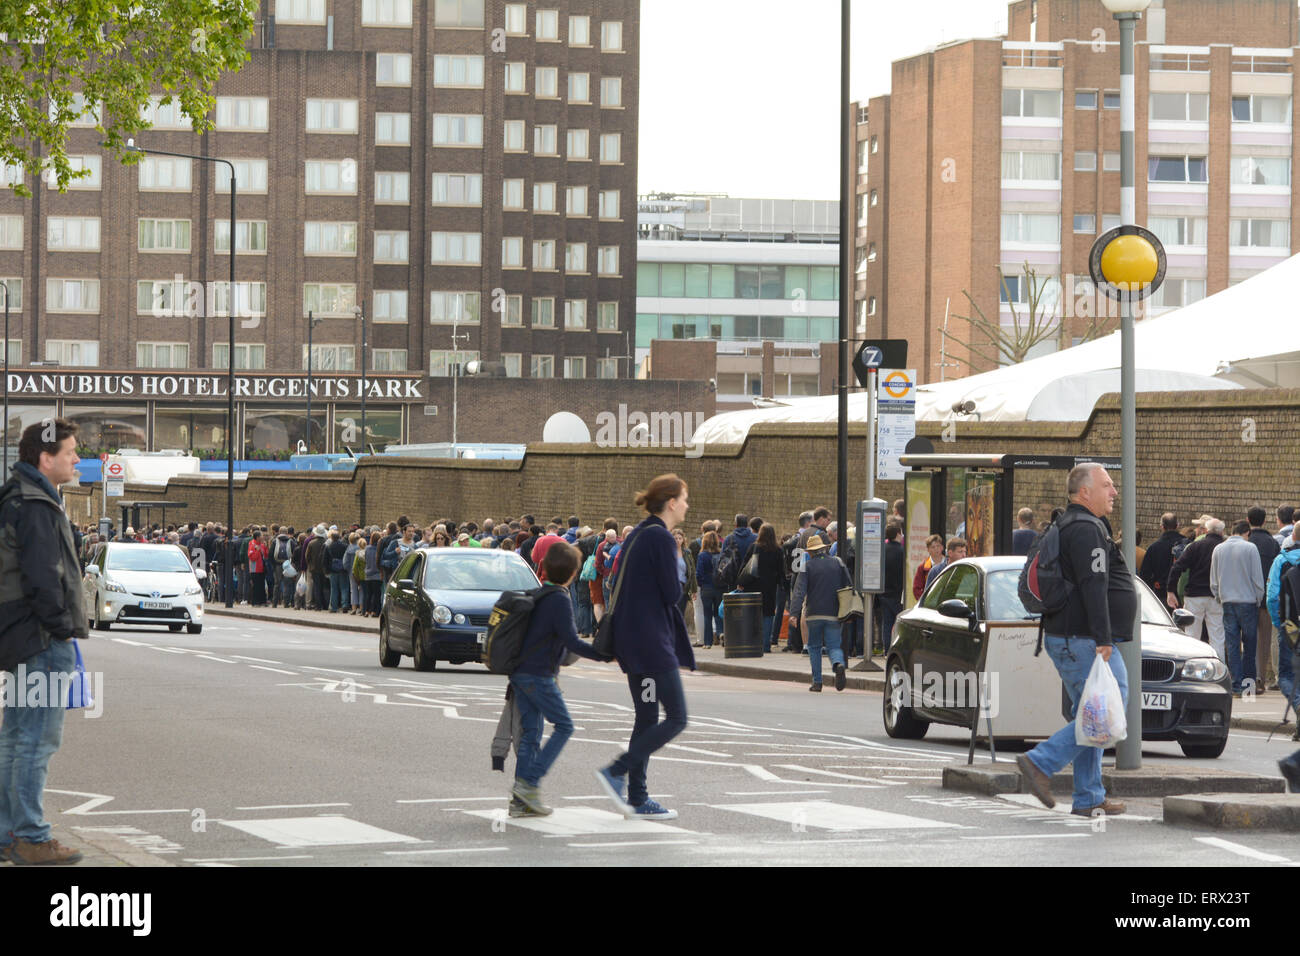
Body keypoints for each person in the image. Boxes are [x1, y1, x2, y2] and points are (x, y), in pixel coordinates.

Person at [1016, 462, 1133, 818]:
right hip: (1082, 638)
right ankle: (1040, 762)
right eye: (1108, 485)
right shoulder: (1085, 528)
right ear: (1085, 492)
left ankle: (1088, 796)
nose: (1114, 491)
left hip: (1072, 636)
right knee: (1107, 708)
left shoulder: (1075, 524)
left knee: (1094, 711)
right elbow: (1092, 584)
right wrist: (1104, 637)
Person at [0, 418, 87, 864]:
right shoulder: (35, 504)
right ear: (45, 458)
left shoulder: (18, 497)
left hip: (18, 638)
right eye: (71, 451)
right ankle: (31, 837)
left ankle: (7, 834)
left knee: (15, 738)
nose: (77, 459)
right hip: (39, 640)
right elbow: (42, 577)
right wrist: (61, 628)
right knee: (36, 740)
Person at [595, 474, 694, 821]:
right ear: (670, 502)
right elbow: (672, 593)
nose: (686, 504)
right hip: (653, 646)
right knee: (677, 717)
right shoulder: (663, 540)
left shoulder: (638, 533)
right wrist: (678, 561)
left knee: (648, 717)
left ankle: (637, 797)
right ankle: (617, 770)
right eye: (683, 498)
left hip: (633, 644)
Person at [507, 542, 608, 817]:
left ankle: (520, 802)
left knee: (531, 735)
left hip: (520, 673)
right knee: (564, 726)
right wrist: (603, 654)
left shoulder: (540, 593)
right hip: (538, 676)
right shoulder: (560, 599)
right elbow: (572, 641)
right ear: (573, 572)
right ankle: (529, 785)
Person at [788, 535, 851, 691]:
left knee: (814, 647)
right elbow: (848, 585)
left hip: (813, 613)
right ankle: (838, 664)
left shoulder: (807, 566)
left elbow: (799, 591)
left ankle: (817, 682)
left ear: (810, 552)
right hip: (834, 612)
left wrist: (794, 613)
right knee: (834, 645)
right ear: (824, 548)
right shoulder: (838, 563)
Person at [1210, 520, 1265, 693]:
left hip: (1227, 602)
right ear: (1247, 532)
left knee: (1232, 645)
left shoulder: (1218, 549)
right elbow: (1257, 579)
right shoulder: (1251, 548)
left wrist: (1219, 597)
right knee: (1249, 646)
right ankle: (1248, 687)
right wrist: (1258, 598)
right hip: (1248, 602)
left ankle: (1236, 684)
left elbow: (1213, 581)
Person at [1167, 517, 1226, 657]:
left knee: (1192, 636)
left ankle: (1191, 667)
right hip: (1216, 597)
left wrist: (1171, 590)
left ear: (1206, 530)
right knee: (1217, 638)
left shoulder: (1195, 546)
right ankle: (1218, 670)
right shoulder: (1224, 548)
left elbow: (1177, 567)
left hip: (1194, 596)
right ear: (1222, 532)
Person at [1265, 524, 1300, 739]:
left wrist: (1279, 623)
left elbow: (1272, 596)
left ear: (1293, 535)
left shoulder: (1281, 561)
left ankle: (1297, 704)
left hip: (1291, 625)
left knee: (1287, 674)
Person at [1247, 506, 1281, 692]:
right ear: (1265, 520)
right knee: (1265, 640)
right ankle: (1260, 678)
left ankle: (1248, 681)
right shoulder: (1272, 543)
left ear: (1248, 519)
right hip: (1266, 600)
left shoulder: (1247, 541)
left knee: (1247, 639)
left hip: (1246, 598)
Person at [740, 523, 783, 652]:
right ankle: (765, 645)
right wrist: (780, 584)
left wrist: (741, 581)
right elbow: (781, 570)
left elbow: (745, 565)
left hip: (753, 585)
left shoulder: (754, 547)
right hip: (769, 588)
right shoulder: (778, 550)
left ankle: (752, 643)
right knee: (768, 615)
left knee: (753, 614)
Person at [1138, 512, 1182, 607]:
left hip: (1160, 593)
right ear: (1177, 525)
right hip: (1182, 595)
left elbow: (1145, 574)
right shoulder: (1187, 544)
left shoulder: (1154, 548)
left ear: (1162, 526)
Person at [881, 522, 905, 654]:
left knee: (887, 623)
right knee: (899, 622)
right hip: (898, 593)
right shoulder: (902, 552)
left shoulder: (882, 550)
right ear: (897, 534)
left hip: (884, 591)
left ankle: (887, 649)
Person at [694, 531, 721, 648]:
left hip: (706, 588)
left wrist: (701, 584)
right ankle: (721, 633)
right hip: (719, 587)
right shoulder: (720, 555)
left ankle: (708, 642)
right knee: (718, 613)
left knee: (707, 615)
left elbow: (698, 573)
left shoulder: (702, 555)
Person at [912, 534, 944, 601]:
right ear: (928, 550)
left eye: (938, 546)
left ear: (942, 547)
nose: (936, 549)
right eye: (933, 547)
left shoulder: (948, 563)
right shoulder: (923, 567)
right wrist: (924, 601)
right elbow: (916, 588)